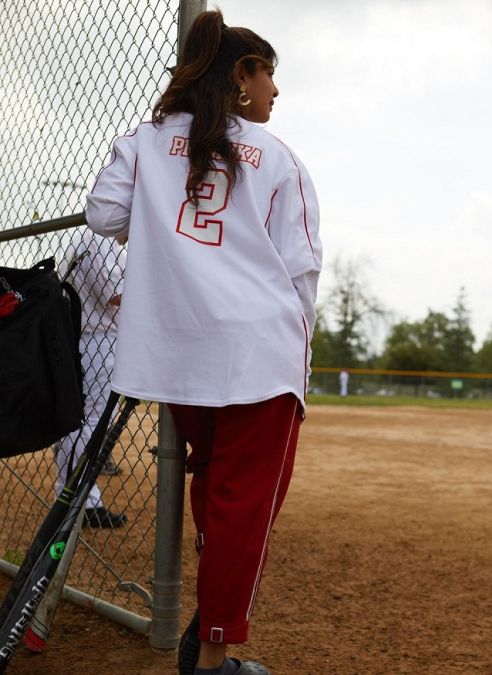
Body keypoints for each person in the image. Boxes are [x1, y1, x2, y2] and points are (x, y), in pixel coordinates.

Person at [85, 10, 322, 675]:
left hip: (173, 355)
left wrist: (164, 219)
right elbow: (300, 270)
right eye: (269, 73)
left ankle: (208, 616)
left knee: (215, 486)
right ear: (242, 77)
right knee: (245, 506)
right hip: (257, 356)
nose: (275, 90)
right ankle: (213, 656)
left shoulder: (146, 137)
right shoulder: (278, 157)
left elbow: (104, 214)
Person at [54, 229, 128, 528]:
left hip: (91, 339)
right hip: (96, 341)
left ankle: (77, 497)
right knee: (88, 424)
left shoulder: (93, 238)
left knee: (85, 424)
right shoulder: (98, 237)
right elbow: (114, 294)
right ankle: (80, 501)